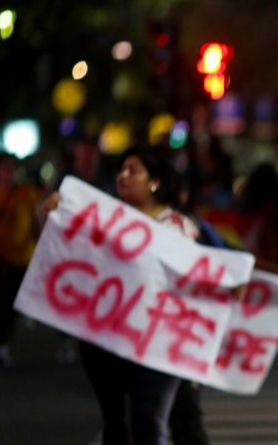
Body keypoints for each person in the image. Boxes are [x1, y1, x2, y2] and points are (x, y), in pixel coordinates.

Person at [41, 146, 199, 445]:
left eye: (134, 171)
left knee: (148, 420)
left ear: (155, 182)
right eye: (121, 170)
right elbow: (64, 251)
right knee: (114, 422)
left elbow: (192, 276)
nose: (123, 176)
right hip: (104, 338)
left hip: (155, 339)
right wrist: (50, 215)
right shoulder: (102, 217)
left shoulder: (178, 226)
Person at [0, 153, 41, 368]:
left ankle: (5, 344)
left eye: (11, 168)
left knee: (10, 303)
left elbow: (36, 223)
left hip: (20, 258)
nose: (8, 173)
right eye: (4, 168)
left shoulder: (27, 193)